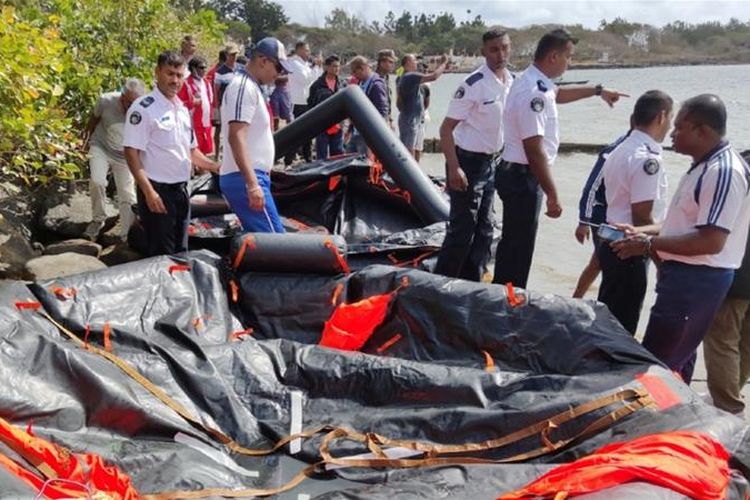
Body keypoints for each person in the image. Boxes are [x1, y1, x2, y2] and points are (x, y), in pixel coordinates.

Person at [613, 94, 750, 384]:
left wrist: (649, 245)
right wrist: (643, 231)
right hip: (686, 276)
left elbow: (711, 240)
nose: (672, 134)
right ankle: (677, 417)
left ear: (702, 131)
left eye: (680, 128)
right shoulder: (703, 165)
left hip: (698, 279)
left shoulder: (723, 171)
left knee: (658, 364)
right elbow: (682, 224)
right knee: (678, 360)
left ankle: (654, 421)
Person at [493, 28, 628, 289]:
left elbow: (559, 94)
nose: (570, 63)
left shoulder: (533, 81)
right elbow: (534, 149)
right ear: (553, 56)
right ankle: (507, 303)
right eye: (569, 57)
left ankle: (503, 296)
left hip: (516, 173)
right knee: (518, 250)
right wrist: (553, 194)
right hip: (523, 177)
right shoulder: (535, 92)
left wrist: (598, 90)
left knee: (514, 245)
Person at [433, 30, 513, 282]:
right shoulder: (474, 84)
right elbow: (446, 129)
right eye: (493, 49)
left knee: (486, 228)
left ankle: (472, 282)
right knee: (462, 229)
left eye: (504, 48)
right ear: (483, 52)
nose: (500, 54)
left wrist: (595, 91)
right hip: (466, 162)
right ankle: (441, 285)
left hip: (492, 162)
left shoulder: (512, 81)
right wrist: (454, 168)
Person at [123, 51, 218, 256]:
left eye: (179, 75)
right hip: (158, 192)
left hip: (182, 191)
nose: (175, 80)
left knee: (181, 250)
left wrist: (215, 166)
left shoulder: (182, 110)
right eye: (170, 74)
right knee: (161, 255)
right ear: (157, 72)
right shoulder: (143, 109)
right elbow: (131, 153)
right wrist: (148, 191)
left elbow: (191, 151)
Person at [597, 91, 673, 335]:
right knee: (622, 324)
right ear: (662, 117)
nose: (671, 126)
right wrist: (661, 261)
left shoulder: (620, 149)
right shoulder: (646, 158)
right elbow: (642, 216)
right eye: (671, 118)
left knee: (609, 318)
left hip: (611, 239)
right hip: (629, 247)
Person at [220, 37, 292, 233]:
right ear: (263, 61)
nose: (279, 75)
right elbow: (236, 136)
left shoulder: (251, 87)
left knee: (270, 241)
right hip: (245, 177)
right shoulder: (243, 87)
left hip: (249, 176)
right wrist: (252, 184)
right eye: (279, 69)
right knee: (275, 243)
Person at [81, 78, 146, 241]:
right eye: (129, 103)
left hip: (125, 156)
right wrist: (83, 140)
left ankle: (126, 235)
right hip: (101, 146)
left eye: (136, 103)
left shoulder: (144, 111)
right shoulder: (106, 101)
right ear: (122, 96)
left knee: (127, 195)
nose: (132, 107)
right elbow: (93, 120)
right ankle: (98, 219)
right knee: (97, 181)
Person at [572, 130, 631, 298]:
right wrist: (584, 221)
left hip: (618, 215)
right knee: (604, 262)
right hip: (603, 215)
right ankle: (583, 299)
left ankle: (577, 298)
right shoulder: (614, 151)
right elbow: (591, 187)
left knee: (597, 261)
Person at [704, 209, 750, 416]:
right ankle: (727, 396)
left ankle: (728, 406)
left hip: (738, 272)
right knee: (745, 341)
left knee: (722, 339)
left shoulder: (738, 177)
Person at [396, 53, 448, 158]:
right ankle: (408, 172)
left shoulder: (405, 77)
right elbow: (434, 76)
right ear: (407, 64)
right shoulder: (410, 76)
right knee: (409, 148)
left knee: (412, 147)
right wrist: (444, 63)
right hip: (410, 118)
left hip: (412, 117)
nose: (416, 63)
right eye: (414, 60)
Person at [286, 42, 321, 165]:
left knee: (308, 132)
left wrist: (317, 67)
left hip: (307, 102)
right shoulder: (294, 63)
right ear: (299, 50)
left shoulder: (306, 64)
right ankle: (288, 159)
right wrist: (315, 67)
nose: (309, 52)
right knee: (296, 132)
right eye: (306, 50)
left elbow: (316, 79)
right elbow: (305, 79)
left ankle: (308, 158)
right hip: (298, 102)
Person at [348, 56, 389, 154]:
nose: (353, 75)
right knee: (349, 160)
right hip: (357, 131)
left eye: (354, 71)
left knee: (365, 165)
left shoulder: (376, 85)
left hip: (368, 135)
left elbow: (382, 111)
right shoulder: (360, 82)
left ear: (362, 68)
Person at [308, 54, 345, 160]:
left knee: (337, 155)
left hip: (338, 125)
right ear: (326, 67)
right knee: (322, 156)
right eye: (334, 66)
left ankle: (336, 176)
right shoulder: (317, 85)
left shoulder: (342, 84)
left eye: (338, 66)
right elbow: (311, 104)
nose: (336, 69)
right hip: (322, 126)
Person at [177, 56, 215, 156]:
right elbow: (178, 104)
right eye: (201, 68)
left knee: (206, 152)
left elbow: (210, 101)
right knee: (194, 153)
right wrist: (192, 102)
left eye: (205, 68)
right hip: (193, 125)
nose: (204, 70)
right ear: (193, 69)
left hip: (206, 124)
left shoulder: (206, 82)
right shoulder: (186, 84)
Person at [213, 42, 241, 157]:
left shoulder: (240, 68)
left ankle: (233, 153)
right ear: (227, 55)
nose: (233, 57)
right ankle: (217, 154)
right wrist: (216, 107)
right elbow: (216, 91)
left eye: (235, 54)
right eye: (231, 54)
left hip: (238, 104)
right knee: (221, 130)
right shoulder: (220, 72)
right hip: (225, 105)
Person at [376, 49, 396, 129]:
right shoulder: (375, 80)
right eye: (390, 62)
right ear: (382, 63)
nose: (393, 65)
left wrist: (390, 121)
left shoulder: (386, 78)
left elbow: (387, 102)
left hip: (385, 121)